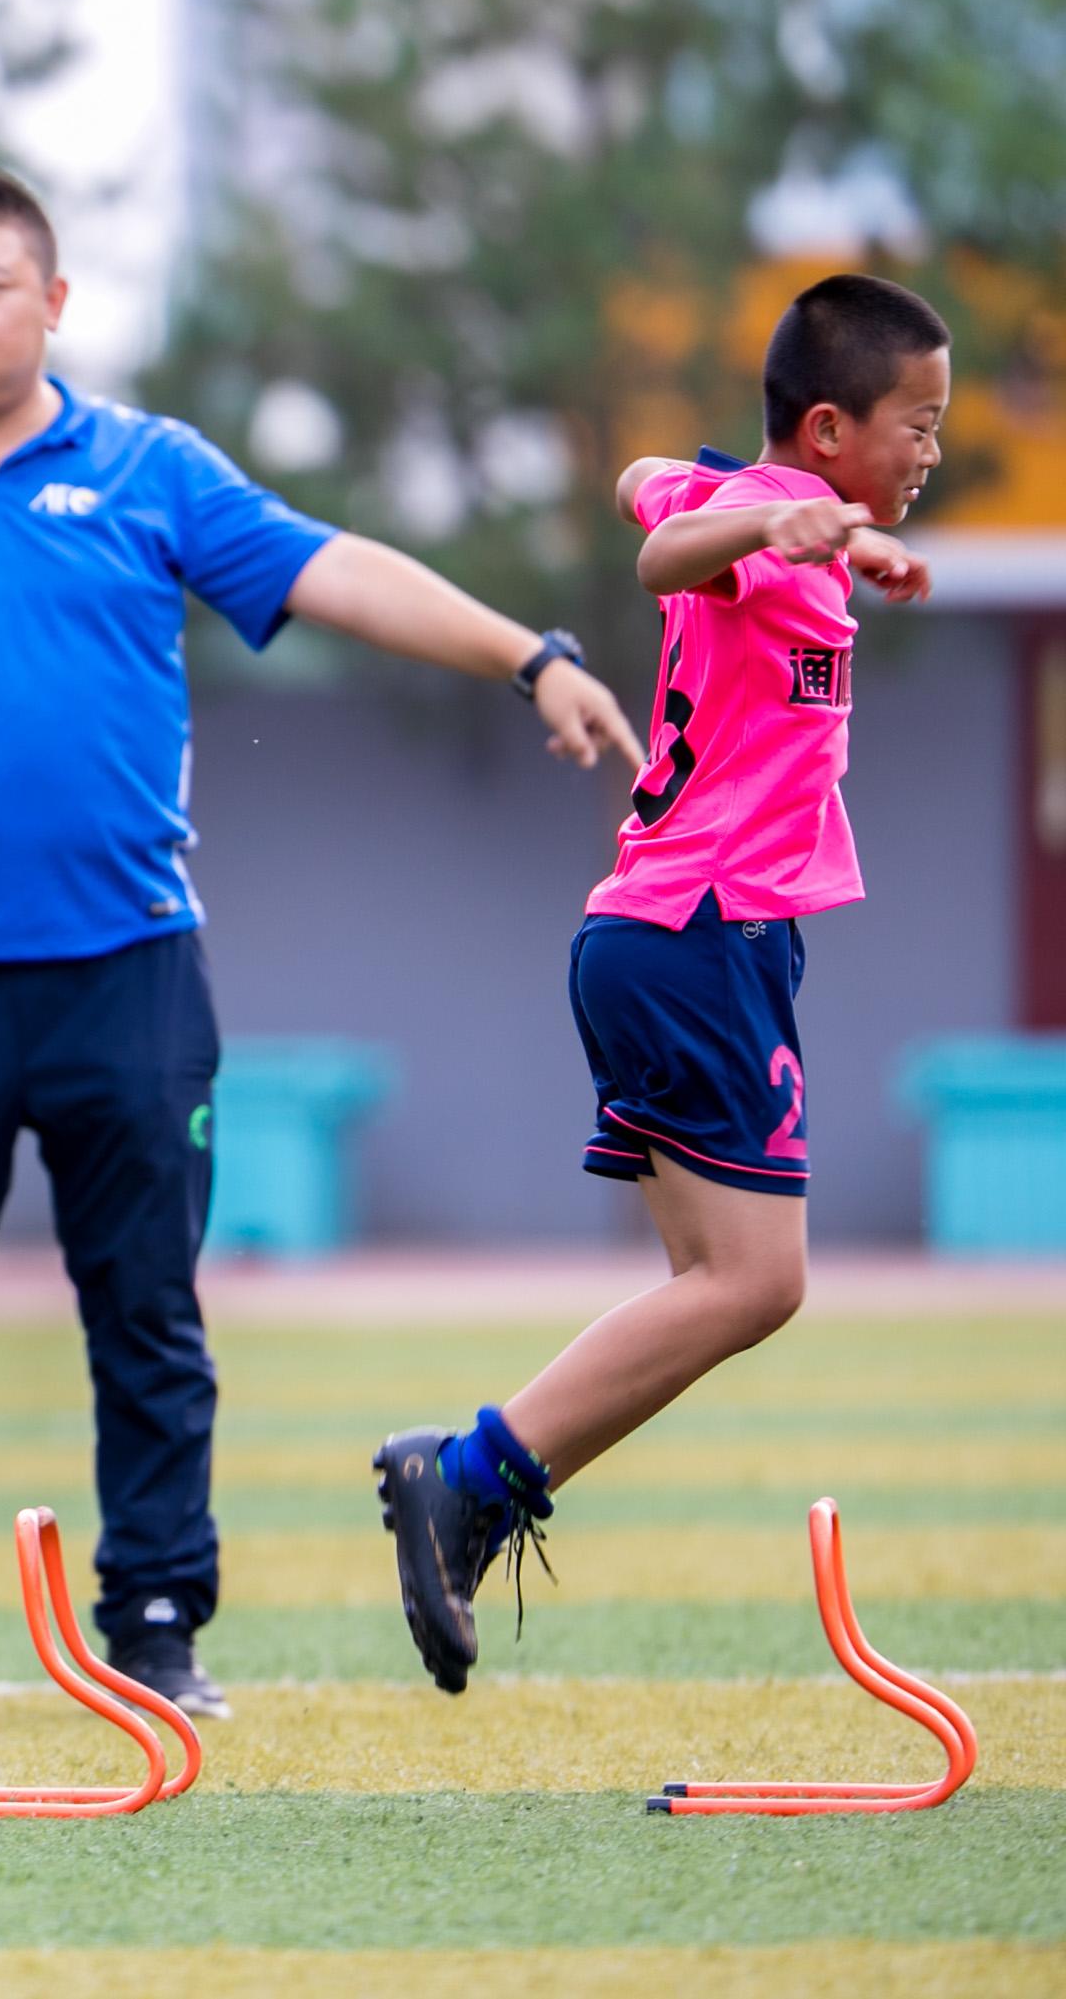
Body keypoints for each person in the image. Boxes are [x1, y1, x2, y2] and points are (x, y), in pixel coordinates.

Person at [0, 168, 642, 1722]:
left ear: (54, 303)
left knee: (147, 1309)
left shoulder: (150, 471)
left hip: (127, 971)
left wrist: (524, 653)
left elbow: (335, 568)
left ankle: (157, 1623)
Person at [378, 274, 943, 1690]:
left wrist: (835, 532)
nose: (931, 450)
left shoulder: (771, 504)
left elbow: (643, 479)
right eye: (917, 425)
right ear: (828, 427)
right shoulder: (754, 531)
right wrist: (777, 523)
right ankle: (469, 1479)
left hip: (671, 935)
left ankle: (470, 1493)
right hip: (698, 935)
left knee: (723, 1277)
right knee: (757, 1282)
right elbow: (666, 553)